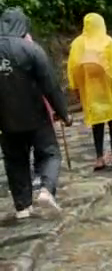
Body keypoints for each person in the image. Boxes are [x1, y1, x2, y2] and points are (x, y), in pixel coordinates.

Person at [0, 8, 72, 218]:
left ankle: (22, 208)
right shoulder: (31, 50)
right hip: (36, 118)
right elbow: (50, 86)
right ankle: (46, 190)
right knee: (50, 153)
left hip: (5, 122)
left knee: (14, 161)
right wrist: (63, 113)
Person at [67, 13, 112, 171]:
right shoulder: (107, 41)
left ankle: (99, 158)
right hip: (108, 89)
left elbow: (72, 68)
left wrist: (75, 88)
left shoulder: (77, 43)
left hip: (89, 90)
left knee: (97, 124)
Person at [24, 33, 55, 189]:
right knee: (39, 142)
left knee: (30, 143)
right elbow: (48, 81)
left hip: (22, 108)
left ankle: (33, 173)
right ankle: (37, 173)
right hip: (36, 106)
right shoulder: (35, 53)